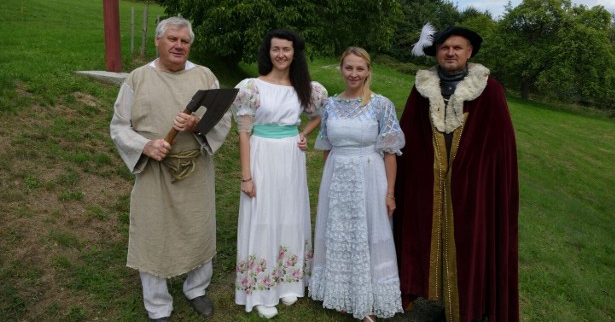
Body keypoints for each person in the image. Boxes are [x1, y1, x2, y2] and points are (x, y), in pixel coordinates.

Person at [393, 24, 519, 322]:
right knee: (423, 233)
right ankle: (420, 290)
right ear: (436, 52)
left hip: (474, 186)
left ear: (469, 52)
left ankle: (468, 306)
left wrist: (473, 174)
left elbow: (498, 146)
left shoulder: (489, 90)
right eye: (444, 47)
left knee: (469, 240)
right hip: (428, 181)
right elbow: (408, 137)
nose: (450, 52)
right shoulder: (422, 88)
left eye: (457, 48)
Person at [110, 17, 232, 322]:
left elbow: (223, 119)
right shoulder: (138, 78)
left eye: (185, 41)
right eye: (172, 39)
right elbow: (119, 126)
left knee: (198, 229)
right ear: (158, 41)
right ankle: (158, 305)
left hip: (195, 168)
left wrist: (197, 125)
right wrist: (145, 146)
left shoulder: (205, 76)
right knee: (153, 234)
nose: (179, 45)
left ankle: (196, 289)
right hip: (155, 170)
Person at [232, 29, 327, 319]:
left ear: (295, 53)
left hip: (290, 157)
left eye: (287, 49)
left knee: (290, 214)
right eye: (276, 49)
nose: (282, 54)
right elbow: (244, 133)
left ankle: (289, 281)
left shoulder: (307, 89)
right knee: (263, 216)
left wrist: (304, 133)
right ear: (268, 52)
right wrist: (246, 176)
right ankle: (260, 289)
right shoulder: (252, 87)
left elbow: (320, 115)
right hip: (261, 153)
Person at [308, 47, 405, 322]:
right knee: (340, 232)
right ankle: (340, 292)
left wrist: (390, 193)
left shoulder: (381, 104)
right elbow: (327, 146)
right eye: (349, 68)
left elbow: (390, 153)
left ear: (368, 71)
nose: (354, 73)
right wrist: (327, 185)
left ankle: (368, 301)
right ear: (341, 69)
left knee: (367, 234)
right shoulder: (330, 105)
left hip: (370, 175)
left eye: (359, 68)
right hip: (337, 176)